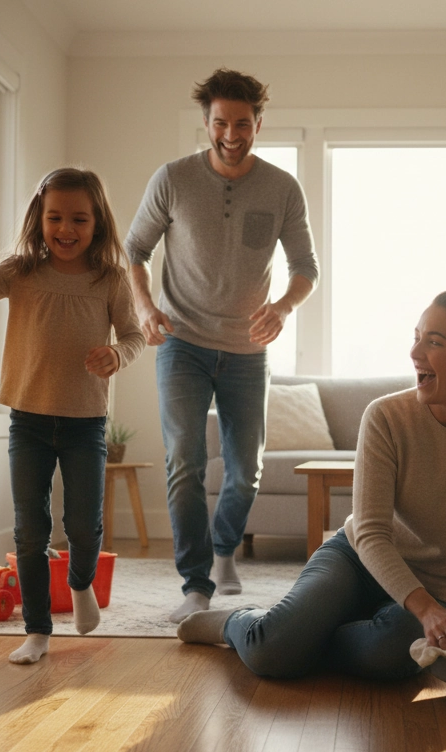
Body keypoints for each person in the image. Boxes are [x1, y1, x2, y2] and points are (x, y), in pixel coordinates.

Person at [177, 289, 446, 680]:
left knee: (394, 656)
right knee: (269, 651)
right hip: (356, 560)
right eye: (417, 337)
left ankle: (307, 639)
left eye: (434, 342)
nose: (415, 353)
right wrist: (425, 612)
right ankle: (235, 622)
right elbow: (372, 532)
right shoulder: (386, 417)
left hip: (439, 585)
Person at [0, 167, 144, 664]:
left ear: (97, 223)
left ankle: (80, 583)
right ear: (39, 218)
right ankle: (37, 631)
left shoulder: (111, 279)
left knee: (83, 527)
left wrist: (116, 355)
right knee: (30, 531)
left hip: (86, 423)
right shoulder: (21, 270)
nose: (66, 229)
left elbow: (135, 334)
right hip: (29, 423)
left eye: (79, 219)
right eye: (55, 217)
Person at [125, 68, 318, 622]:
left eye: (242, 124)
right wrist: (143, 307)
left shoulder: (282, 187)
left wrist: (282, 307)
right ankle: (195, 582)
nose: (231, 135)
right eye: (220, 123)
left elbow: (307, 267)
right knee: (184, 460)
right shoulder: (173, 178)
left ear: (258, 123)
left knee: (245, 468)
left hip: (246, 349)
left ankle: (224, 546)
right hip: (180, 341)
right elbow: (134, 249)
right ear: (206, 123)